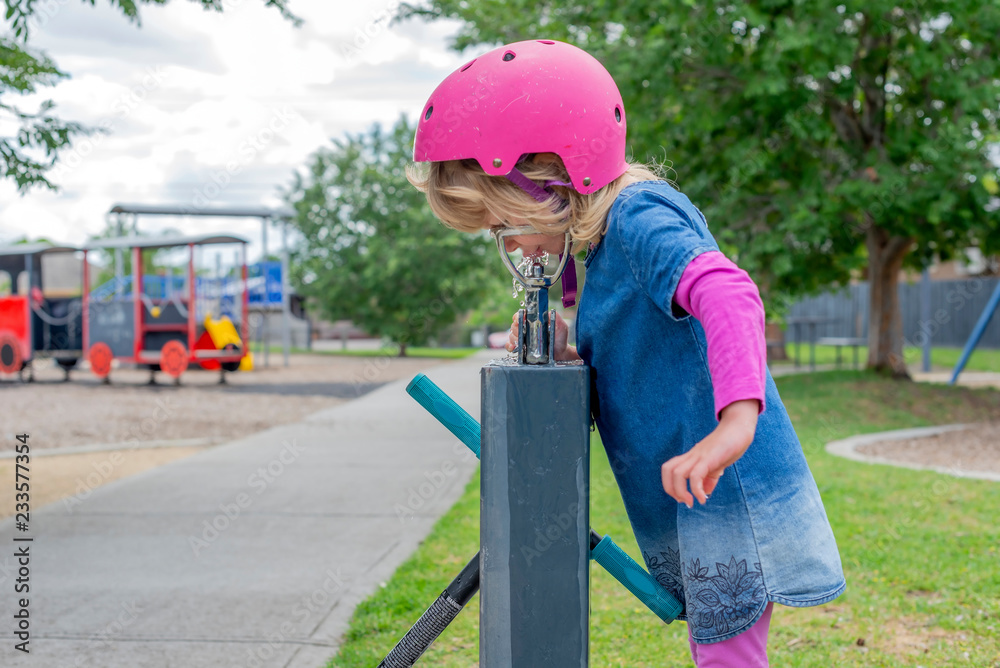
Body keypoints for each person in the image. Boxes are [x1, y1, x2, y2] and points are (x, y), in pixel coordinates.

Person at [408, 39, 846, 667]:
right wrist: (567, 360)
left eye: (503, 225)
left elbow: (728, 293)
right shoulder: (599, 252)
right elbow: (636, 365)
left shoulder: (639, 217)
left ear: (553, 184)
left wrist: (737, 422)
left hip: (729, 491)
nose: (510, 245)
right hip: (696, 499)